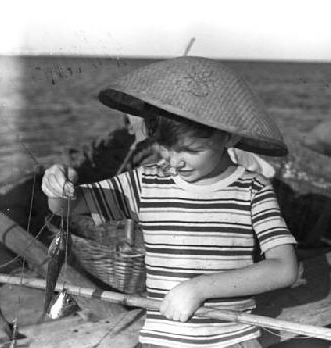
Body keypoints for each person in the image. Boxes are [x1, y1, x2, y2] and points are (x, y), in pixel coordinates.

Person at [42, 56, 298, 348]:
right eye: (164, 147)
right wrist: (58, 186)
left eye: (188, 150)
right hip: (161, 342)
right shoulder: (145, 182)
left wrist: (199, 288)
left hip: (232, 340)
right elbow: (65, 208)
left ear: (227, 136)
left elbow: (284, 268)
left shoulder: (252, 189)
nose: (174, 161)